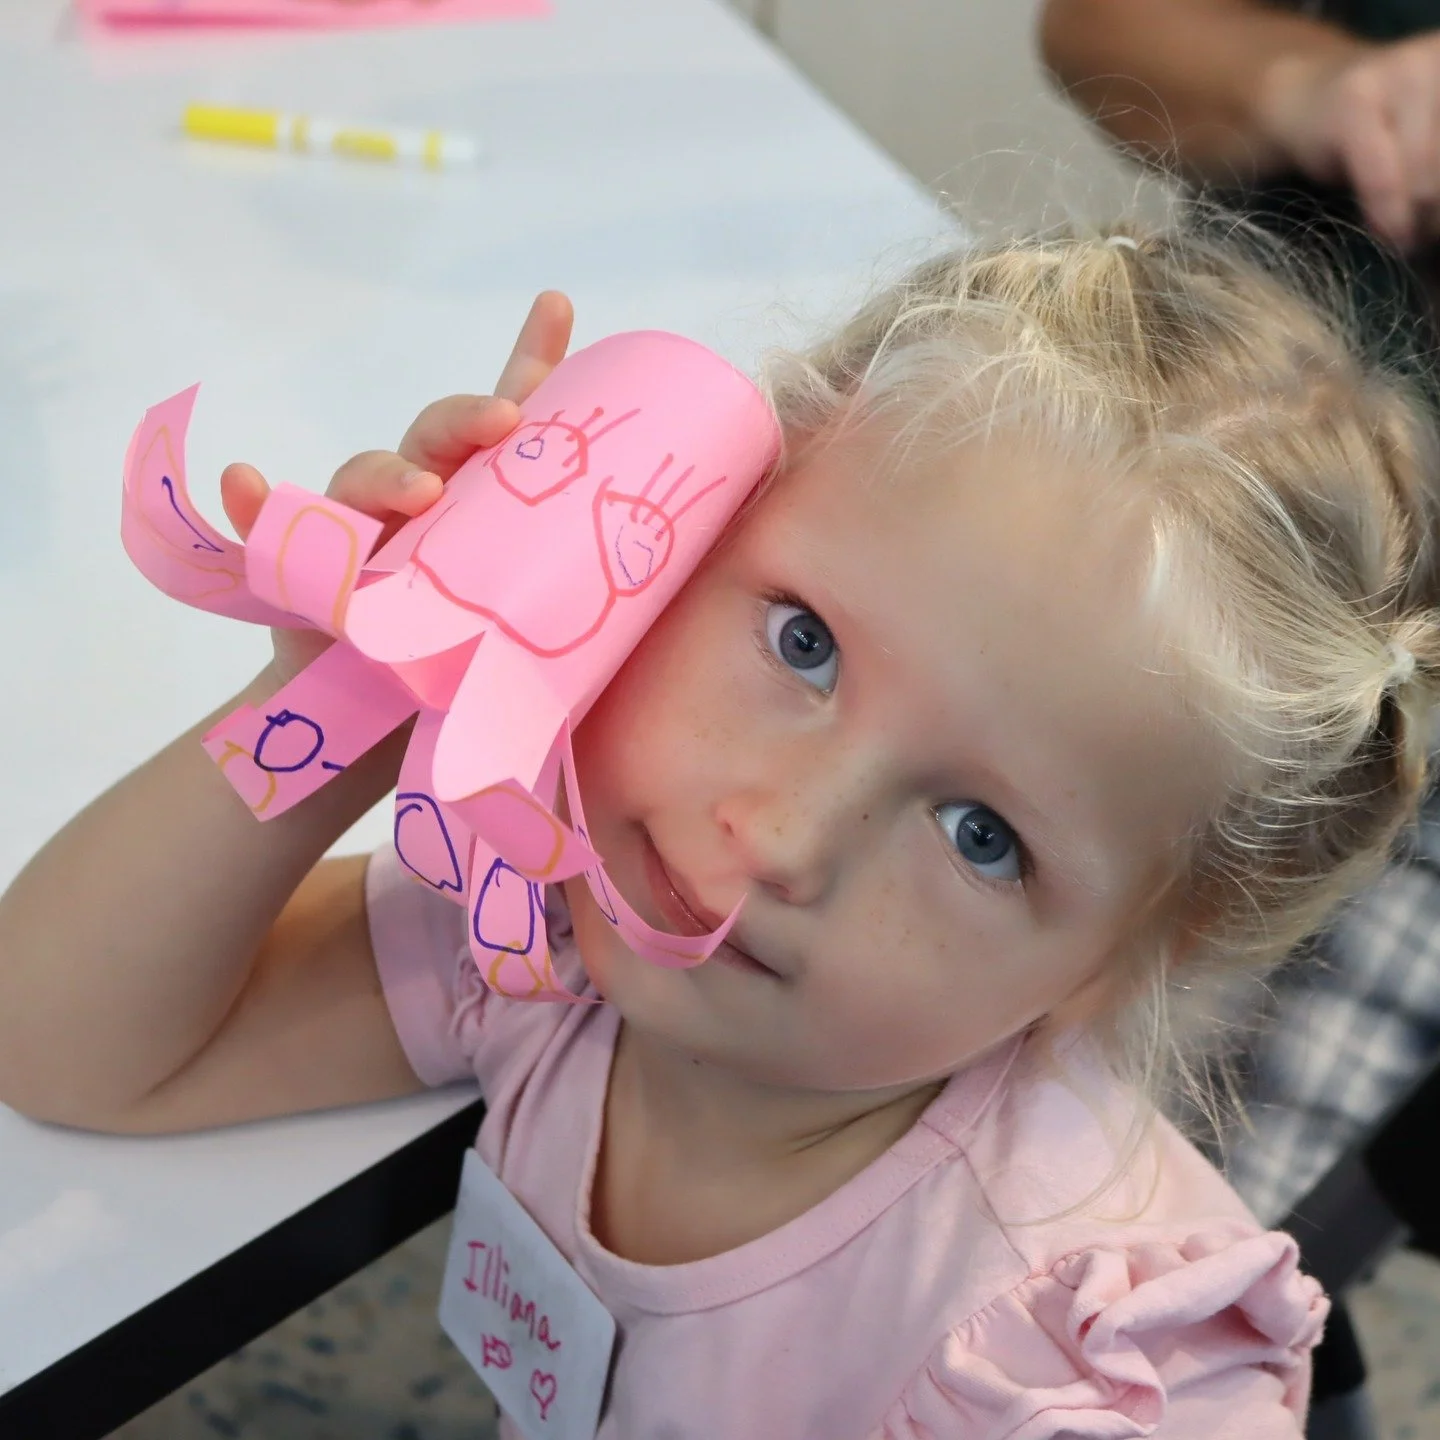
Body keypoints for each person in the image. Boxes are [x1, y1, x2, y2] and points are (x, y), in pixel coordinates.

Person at [1, 224, 1434, 1438]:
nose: (784, 840)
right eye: (804, 644)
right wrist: (365, 684)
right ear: (674, 540)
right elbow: (65, 1041)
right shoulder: (559, 926)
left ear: (1134, 957)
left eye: (981, 836)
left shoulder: (1064, 1374)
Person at [1042, 0, 1440, 1236]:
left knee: (1178, 1230)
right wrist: (1322, 89)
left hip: (1369, 728)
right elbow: (1093, 27)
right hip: (1194, 567)